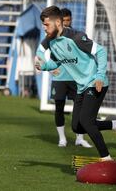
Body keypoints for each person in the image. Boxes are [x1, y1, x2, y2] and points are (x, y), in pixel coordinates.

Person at [35, 6, 116, 160]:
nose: (44, 28)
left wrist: (99, 76)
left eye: (46, 24)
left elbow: (101, 51)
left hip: (96, 83)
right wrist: (44, 66)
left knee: (86, 121)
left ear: (58, 22)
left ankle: (106, 158)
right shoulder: (52, 42)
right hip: (81, 87)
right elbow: (56, 62)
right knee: (77, 126)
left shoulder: (76, 37)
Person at [49, 8, 92, 148]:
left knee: (80, 108)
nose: (66, 23)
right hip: (60, 78)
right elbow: (49, 56)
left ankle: (80, 138)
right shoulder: (53, 36)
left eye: (68, 20)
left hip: (76, 78)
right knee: (59, 107)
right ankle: (62, 138)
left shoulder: (77, 36)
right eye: (64, 20)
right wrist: (50, 68)